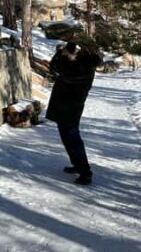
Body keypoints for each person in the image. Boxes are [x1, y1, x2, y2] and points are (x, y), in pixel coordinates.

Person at [46, 41, 103, 185]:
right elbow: (53, 68)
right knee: (68, 137)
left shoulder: (83, 66)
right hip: (65, 105)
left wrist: (62, 55)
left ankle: (85, 172)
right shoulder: (80, 63)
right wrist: (62, 54)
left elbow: (59, 69)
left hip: (70, 106)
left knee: (72, 138)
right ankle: (78, 165)